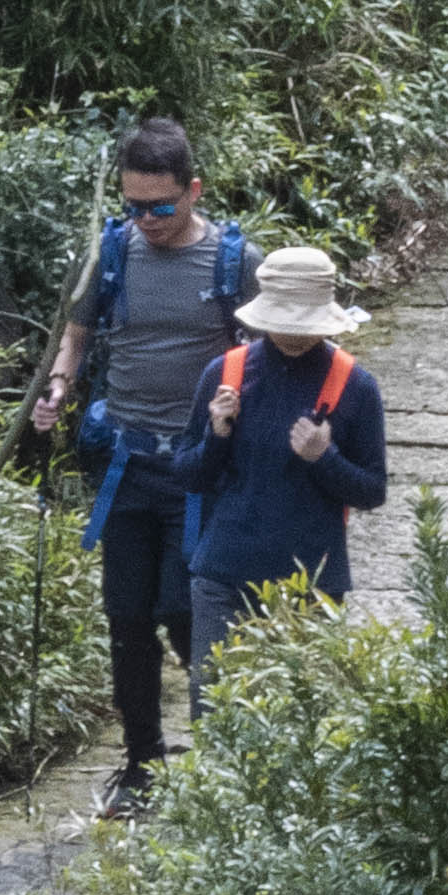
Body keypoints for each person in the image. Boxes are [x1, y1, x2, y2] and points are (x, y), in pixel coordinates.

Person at [32, 122, 251, 802]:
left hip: (199, 471)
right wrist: (59, 386)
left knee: (187, 612)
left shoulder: (232, 262)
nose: (147, 221)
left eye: (160, 206)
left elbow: (261, 354)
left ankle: (233, 753)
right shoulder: (114, 252)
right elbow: (77, 333)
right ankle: (141, 763)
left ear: (194, 190)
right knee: (127, 617)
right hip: (125, 463)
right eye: (134, 206)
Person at [174, 240, 386, 691]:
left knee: (302, 724)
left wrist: (322, 459)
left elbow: (372, 490)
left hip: (311, 583)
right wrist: (218, 434)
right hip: (223, 577)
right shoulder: (225, 372)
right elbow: (188, 474)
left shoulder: (356, 386)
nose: (292, 334)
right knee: (214, 711)